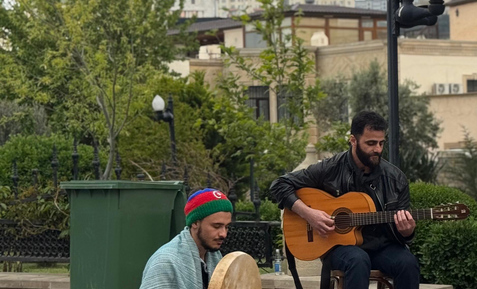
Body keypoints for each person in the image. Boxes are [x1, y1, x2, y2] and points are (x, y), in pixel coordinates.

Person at [270, 110, 420, 289]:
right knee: (357, 259)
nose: (378, 149)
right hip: (339, 248)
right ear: (353, 140)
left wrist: (407, 231)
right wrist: (310, 214)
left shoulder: (396, 179)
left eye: (381, 143)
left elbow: (402, 234)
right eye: (371, 143)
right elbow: (279, 185)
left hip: (381, 247)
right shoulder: (331, 168)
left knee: (408, 263)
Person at [140, 188, 233, 289]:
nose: (223, 234)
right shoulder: (166, 262)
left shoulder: (216, 258)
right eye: (216, 226)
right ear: (195, 223)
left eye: (226, 227)